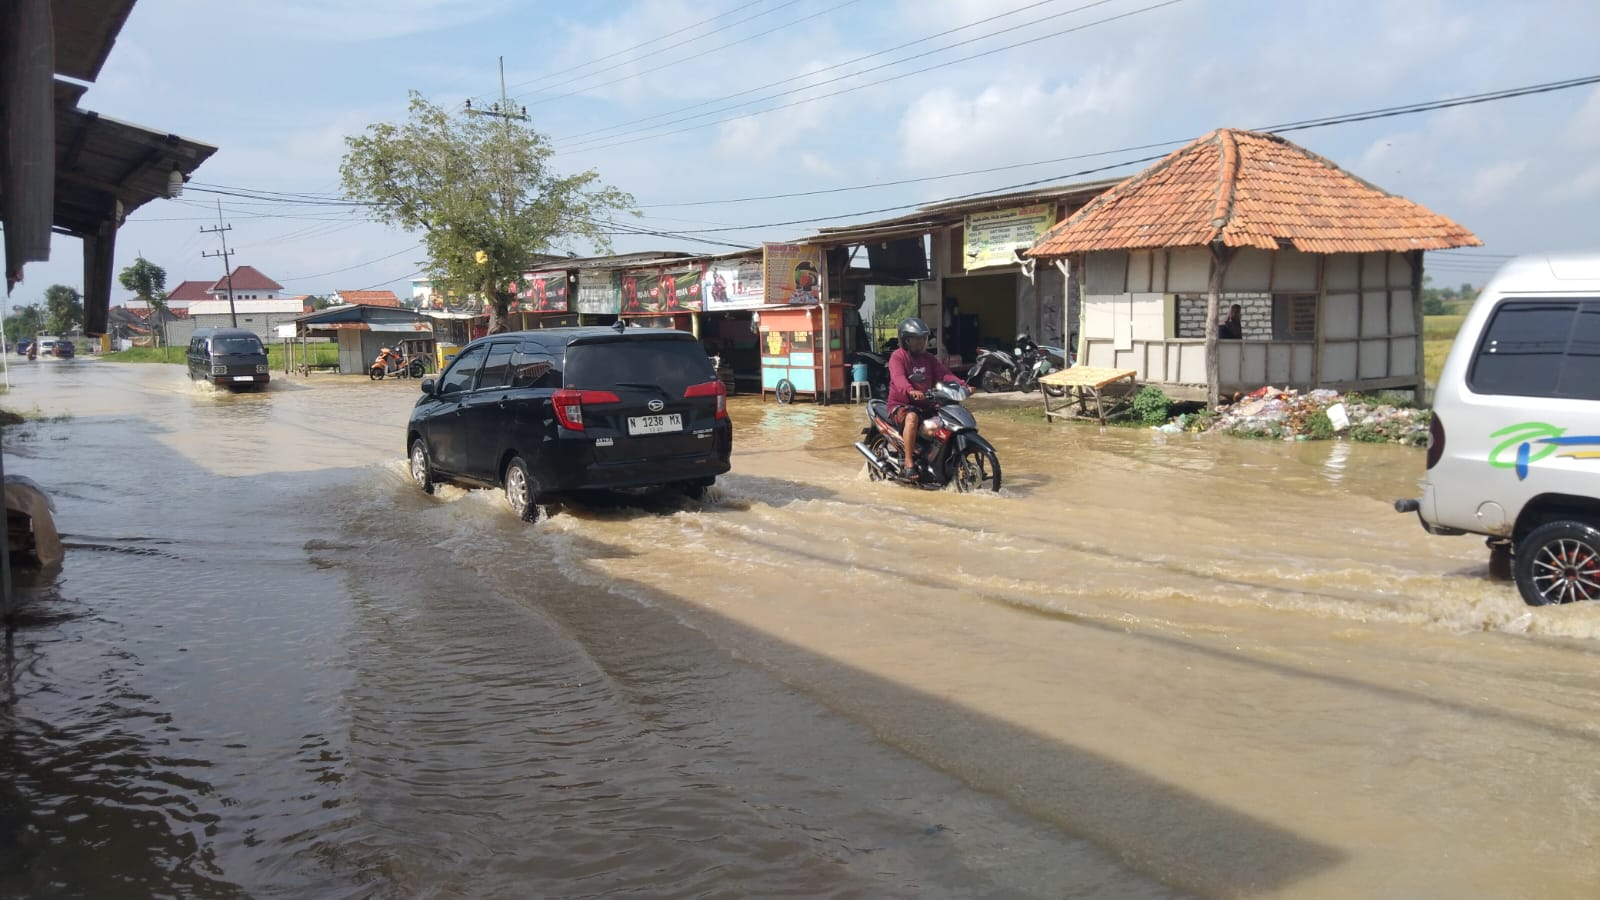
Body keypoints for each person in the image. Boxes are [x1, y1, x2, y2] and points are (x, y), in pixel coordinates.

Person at [887, 317, 965, 482]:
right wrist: (911, 390)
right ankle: (909, 462)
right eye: (918, 339)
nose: (923, 342)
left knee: (948, 418)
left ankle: (938, 458)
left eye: (924, 338)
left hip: (927, 405)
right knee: (912, 417)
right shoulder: (898, 357)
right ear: (907, 340)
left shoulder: (928, 358)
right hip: (901, 406)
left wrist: (963, 385)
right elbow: (899, 378)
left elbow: (944, 374)